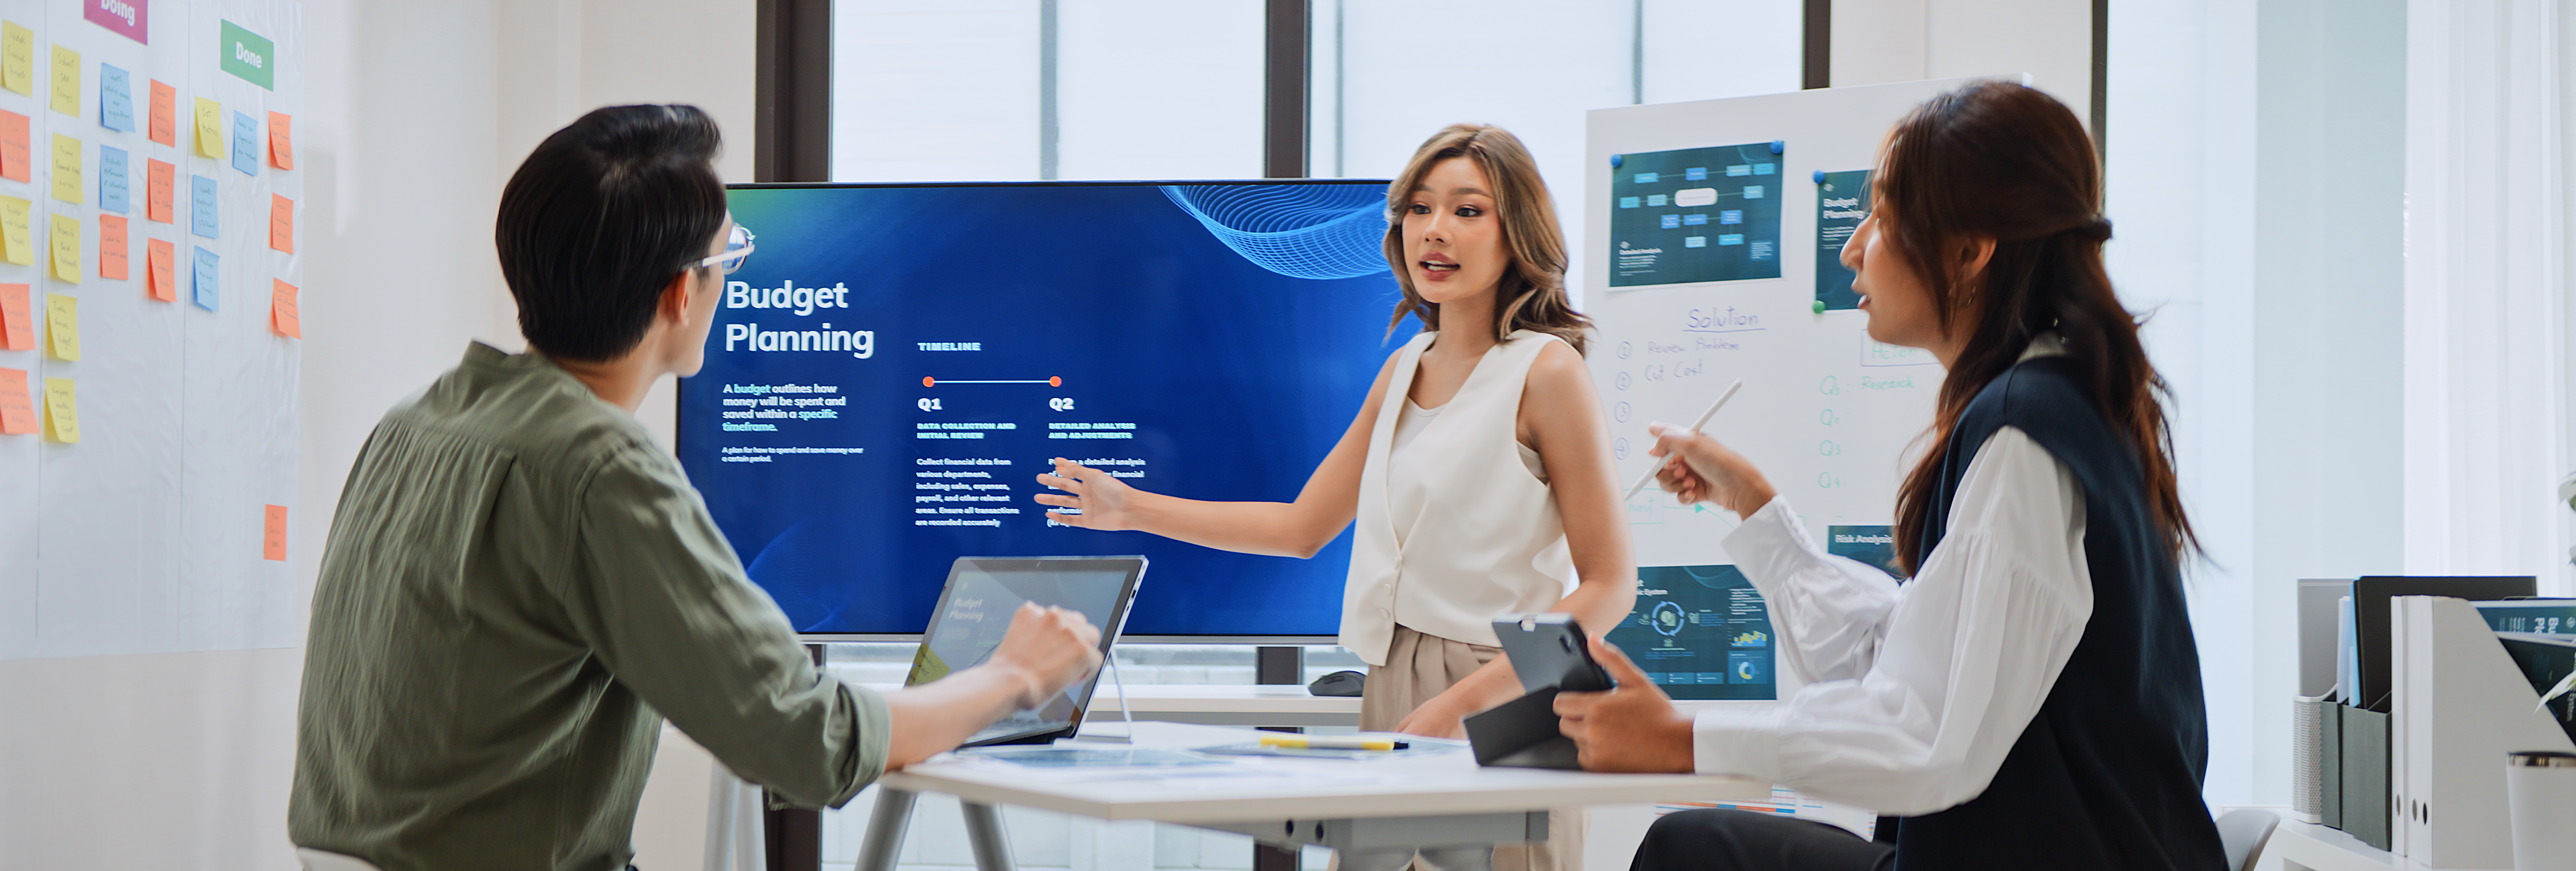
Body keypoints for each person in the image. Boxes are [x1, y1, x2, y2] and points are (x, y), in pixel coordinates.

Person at [287, 105, 1105, 871]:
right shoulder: (601, 467)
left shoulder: (416, 422)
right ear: (682, 292)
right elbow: (808, 744)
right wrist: (1012, 673)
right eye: (732, 256)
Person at [1553, 82, 2229, 871]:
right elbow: (1907, 654)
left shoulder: (2024, 437)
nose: (1851, 247)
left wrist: (1680, 740)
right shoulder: (2068, 406)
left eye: (1879, 215)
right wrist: (1753, 503)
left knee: (1690, 847)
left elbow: (1927, 731)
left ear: (1971, 250)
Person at [1035, 124, 1634, 871]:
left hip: (1507, 682)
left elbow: (1610, 584)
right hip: (1393, 677)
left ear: (1519, 232)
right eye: (1419, 208)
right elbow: (1301, 527)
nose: (1436, 230)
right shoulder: (1402, 369)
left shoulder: (1547, 372)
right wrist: (1129, 507)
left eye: (1468, 210)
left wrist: (1467, 700)